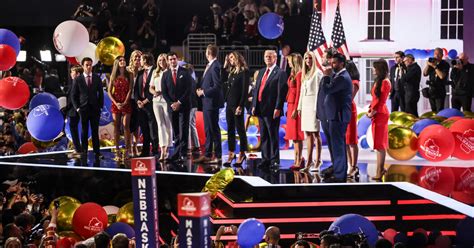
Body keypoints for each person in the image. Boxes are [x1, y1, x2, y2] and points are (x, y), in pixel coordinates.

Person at [252, 50, 288, 169]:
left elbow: (281, 92)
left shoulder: (280, 73)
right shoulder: (262, 72)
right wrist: (253, 105)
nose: (267, 58)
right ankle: (265, 159)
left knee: (273, 136)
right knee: (264, 136)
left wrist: (278, 107)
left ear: (275, 58)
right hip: (260, 109)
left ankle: (275, 160)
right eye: (266, 56)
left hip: (272, 109)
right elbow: (256, 90)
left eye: (270, 56)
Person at [319, 53, 352, 182]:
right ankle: (337, 171)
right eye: (331, 62)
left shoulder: (342, 77)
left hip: (339, 116)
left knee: (338, 147)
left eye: (334, 63)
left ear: (342, 64)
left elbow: (327, 90)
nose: (332, 65)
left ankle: (339, 176)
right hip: (333, 115)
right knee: (335, 146)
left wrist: (326, 77)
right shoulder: (338, 76)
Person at [162, 51, 193, 162]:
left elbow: (189, 89)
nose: (172, 61)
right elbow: (164, 92)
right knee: (176, 131)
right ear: (168, 61)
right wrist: (172, 104)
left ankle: (182, 153)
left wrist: (179, 102)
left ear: (177, 59)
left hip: (183, 106)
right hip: (172, 108)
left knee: (183, 130)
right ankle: (177, 152)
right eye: (170, 59)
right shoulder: (165, 75)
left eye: (174, 59)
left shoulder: (185, 72)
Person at [195, 44, 224, 163]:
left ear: (208, 53)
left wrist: (203, 92)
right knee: (209, 129)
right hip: (207, 102)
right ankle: (207, 154)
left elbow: (217, 86)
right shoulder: (211, 65)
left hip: (212, 103)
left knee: (213, 129)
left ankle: (217, 156)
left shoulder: (215, 66)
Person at [71, 57, 104, 158]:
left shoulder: (97, 78)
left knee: (95, 131)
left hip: (95, 109)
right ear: (83, 66)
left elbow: (101, 93)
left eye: (90, 65)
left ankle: (97, 152)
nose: (89, 67)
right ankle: (84, 151)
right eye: (87, 65)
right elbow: (73, 95)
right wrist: (77, 108)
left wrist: (100, 106)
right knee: (84, 131)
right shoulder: (78, 79)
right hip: (83, 109)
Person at [223, 51, 249, 166]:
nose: (230, 60)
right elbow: (222, 80)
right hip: (229, 104)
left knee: (240, 130)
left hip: (237, 105)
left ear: (237, 57)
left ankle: (242, 153)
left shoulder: (244, 71)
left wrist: (241, 105)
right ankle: (231, 152)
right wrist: (225, 65)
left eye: (232, 57)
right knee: (230, 130)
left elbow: (244, 90)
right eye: (229, 58)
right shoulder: (231, 72)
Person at [298, 51, 322, 172]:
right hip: (306, 105)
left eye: (310, 58)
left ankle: (317, 161)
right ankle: (308, 161)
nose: (308, 60)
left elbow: (319, 92)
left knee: (316, 134)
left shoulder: (317, 73)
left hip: (314, 105)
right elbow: (302, 92)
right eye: (306, 58)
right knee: (307, 134)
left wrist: (317, 108)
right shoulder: (305, 74)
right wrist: (299, 107)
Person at [367, 59, 391, 181]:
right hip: (376, 113)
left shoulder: (385, 82)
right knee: (377, 144)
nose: (372, 70)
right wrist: (370, 110)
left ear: (380, 69)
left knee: (380, 144)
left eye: (374, 68)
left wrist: (373, 111)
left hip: (380, 114)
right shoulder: (379, 81)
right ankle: (379, 170)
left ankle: (380, 170)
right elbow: (374, 99)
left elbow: (380, 101)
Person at [108, 56, 133, 159]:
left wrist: (125, 102)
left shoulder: (129, 74)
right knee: (116, 127)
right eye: (121, 60)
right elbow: (109, 92)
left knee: (126, 126)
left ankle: (127, 150)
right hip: (116, 103)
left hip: (126, 102)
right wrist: (116, 103)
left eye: (124, 60)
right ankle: (117, 149)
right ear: (117, 63)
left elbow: (130, 89)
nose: (123, 62)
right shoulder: (113, 76)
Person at [133, 53, 158, 157]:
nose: (139, 61)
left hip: (151, 104)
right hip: (140, 106)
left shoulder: (155, 71)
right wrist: (138, 100)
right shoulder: (140, 73)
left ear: (146, 60)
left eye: (141, 59)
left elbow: (156, 88)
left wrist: (146, 100)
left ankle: (156, 150)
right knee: (144, 128)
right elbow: (135, 90)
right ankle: (145, 150)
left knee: (153, 128)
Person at [150, 54, 173, 161]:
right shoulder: (155, 72)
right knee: (160, 124)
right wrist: (154, 92)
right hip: (156, 101)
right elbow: (151, 87)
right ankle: (162, 150)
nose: (161, 62)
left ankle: (167, 150)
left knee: (168, 124)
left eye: (163, 60)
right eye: (159, 60)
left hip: (167, 101)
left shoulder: (169, 71)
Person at [285, 53, 305, 170]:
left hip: (295, 106)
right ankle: (296, 158)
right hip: (290, 104)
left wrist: (297, 108)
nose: (288, 63)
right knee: (293, 135)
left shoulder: (300, 74)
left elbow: (299, 93)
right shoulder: (293, 73)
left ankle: (299, 159)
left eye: (289, 61)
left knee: (297, 135)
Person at [345, 61, 360, 177]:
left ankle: (354, 166)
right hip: (343, 110)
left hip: (350, 109)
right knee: (346, 141)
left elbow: (349, 96)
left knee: (352, 140)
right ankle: (350, 165)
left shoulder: (354, 82)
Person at [423, 47, 450, 112]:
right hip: (431, 90)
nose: (436, 56)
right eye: (435, 54)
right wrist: (428, 65)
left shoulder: (445, 64)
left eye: (439, 54)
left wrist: (435, 66)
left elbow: (441, 76)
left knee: (439, 110)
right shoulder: (432, 63)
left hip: (439, 90)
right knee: (433, 110)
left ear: (442, 55)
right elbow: (424, 74)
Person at [127, 50, 143, 157]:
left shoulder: (143, 71)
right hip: (128, 100)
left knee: (137, 124)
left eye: (139, 58)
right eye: (135, 57)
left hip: (139, 101)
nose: (137, 59)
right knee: (128, 125)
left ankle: (135, 146)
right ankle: (129, 147)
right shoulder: (127, 70)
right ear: (132, 58)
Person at [66, 65, 84, 156]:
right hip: (73, 109)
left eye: (72, 72)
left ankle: (78, 149)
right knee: (74, 128)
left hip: (74, 110)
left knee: (73, 129)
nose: (70, 74)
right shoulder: (77, 83)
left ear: (77, 73)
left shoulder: (77, 83)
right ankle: (78, 148)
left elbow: (74, 98)